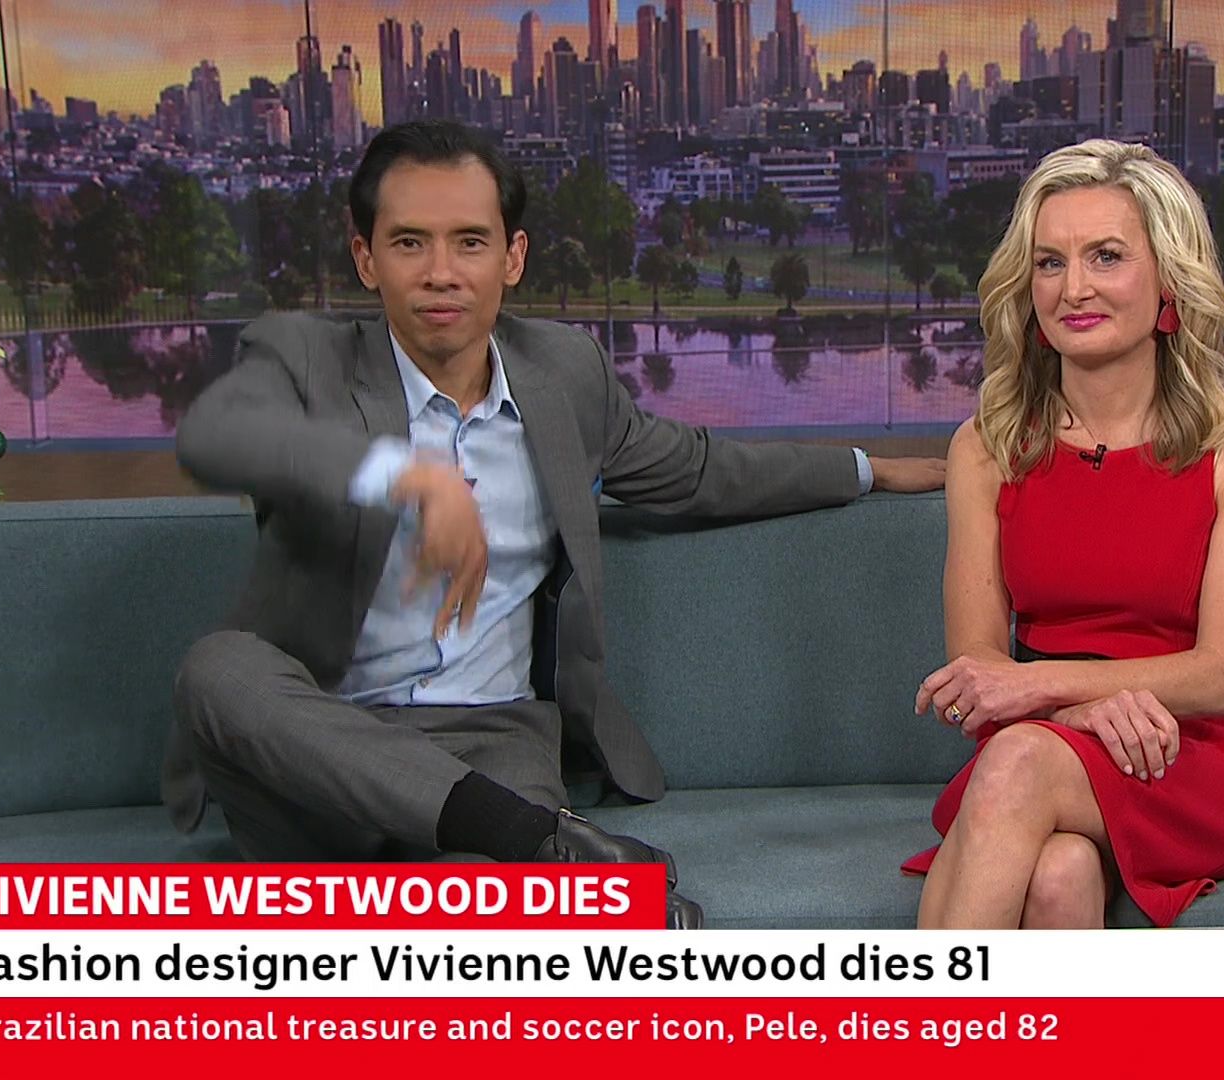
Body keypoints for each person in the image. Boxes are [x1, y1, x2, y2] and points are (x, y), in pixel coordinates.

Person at [163, 119, 944, 928]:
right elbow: (221, 433)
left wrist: (872, 469)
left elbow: (700, 468)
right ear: (366, 259)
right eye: (408, 243)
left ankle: (540, 867)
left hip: (491, 741)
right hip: (319, 756)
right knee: (219, 669)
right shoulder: (308, 364)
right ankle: (557, 859)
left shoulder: (564, 374)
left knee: (487, 925)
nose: (441, 273)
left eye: (469, 242)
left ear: (513, 257)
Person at [902, 139, 1224, 929]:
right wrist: (1073, 713)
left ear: (1168, 279)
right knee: (1058, 874)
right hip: (1042, 741)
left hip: (1189, 756)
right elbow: (978, 666)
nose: (1072, 288)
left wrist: (1049, 690)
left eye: (1106, 257)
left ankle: (910, 1013)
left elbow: (1222, 676)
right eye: (1050, 263)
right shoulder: (987, 447)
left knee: (1016, 766)